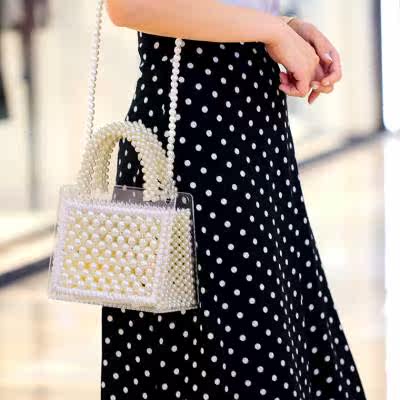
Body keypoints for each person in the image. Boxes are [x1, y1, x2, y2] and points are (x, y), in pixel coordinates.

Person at [100, 1, 367, 399]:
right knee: (240, 349)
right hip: (194, 136)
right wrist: (273, 31)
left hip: (251, 126)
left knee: (267, 338)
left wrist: (286, 27)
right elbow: (131, 6)